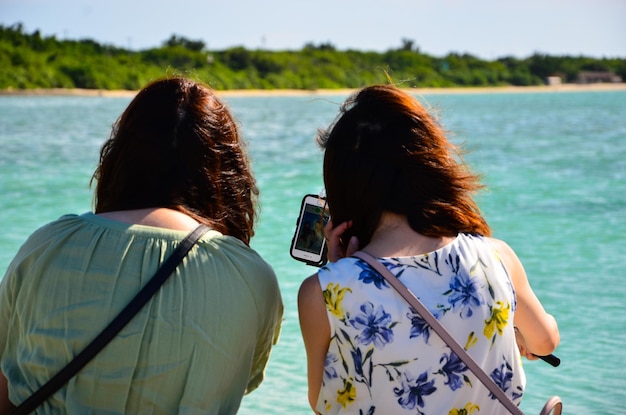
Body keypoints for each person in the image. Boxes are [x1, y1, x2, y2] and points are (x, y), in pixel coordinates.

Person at [0, 76, 283, 414]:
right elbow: (238, 382)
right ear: (227, 176)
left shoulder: (46, 246)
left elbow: (8, 381)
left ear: (119, 158)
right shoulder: (251, 277)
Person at [298, 85, 559, 415]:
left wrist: (344, 274)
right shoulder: (497, 256)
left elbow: (324, 405)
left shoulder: (321, 293)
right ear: (430, 166)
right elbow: (545, 343)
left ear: (343, 185)